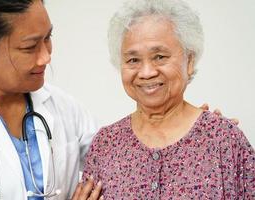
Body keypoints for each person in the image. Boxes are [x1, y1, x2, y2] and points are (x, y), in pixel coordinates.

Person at [82, 0, 255, 199]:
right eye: (133, 60)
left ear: (189, 61)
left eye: (160, 57)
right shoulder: (105, 145)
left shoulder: (223, 139)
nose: (146, 72)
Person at [0, 0, 103, 199]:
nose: (45, 57)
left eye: (48, 37)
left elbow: (113, 163)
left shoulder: (63, 106)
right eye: (29, 47)